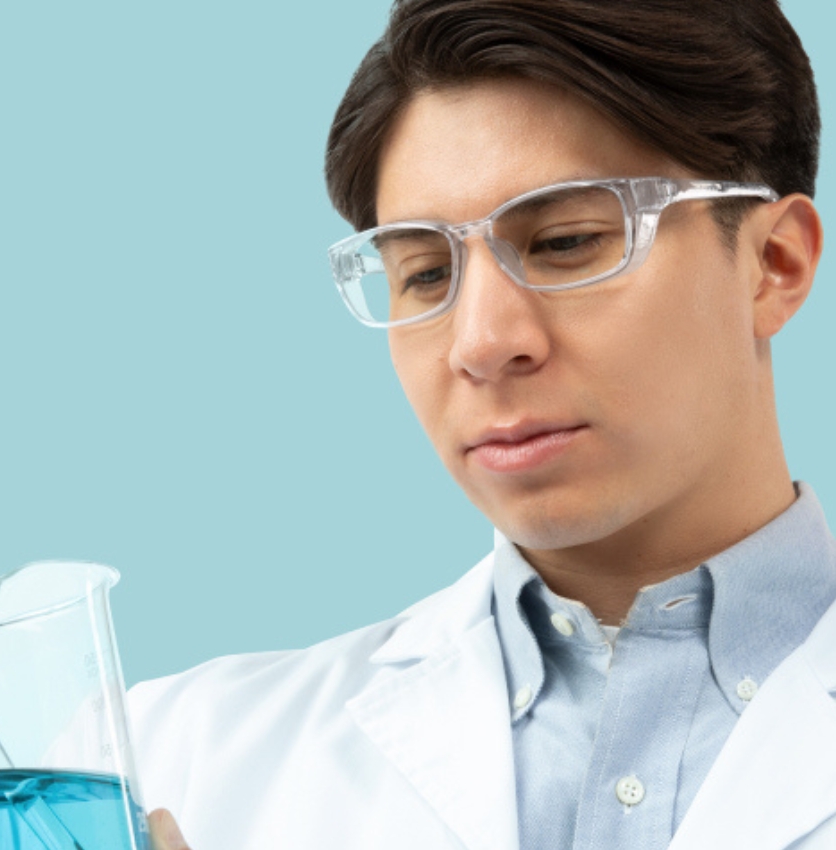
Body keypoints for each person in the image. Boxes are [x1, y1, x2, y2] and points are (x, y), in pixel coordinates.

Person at [134, 1, 836, 848]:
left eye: (567, 243)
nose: (483, 343)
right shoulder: (174, 763)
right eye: (426, 273)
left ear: (772, 264)